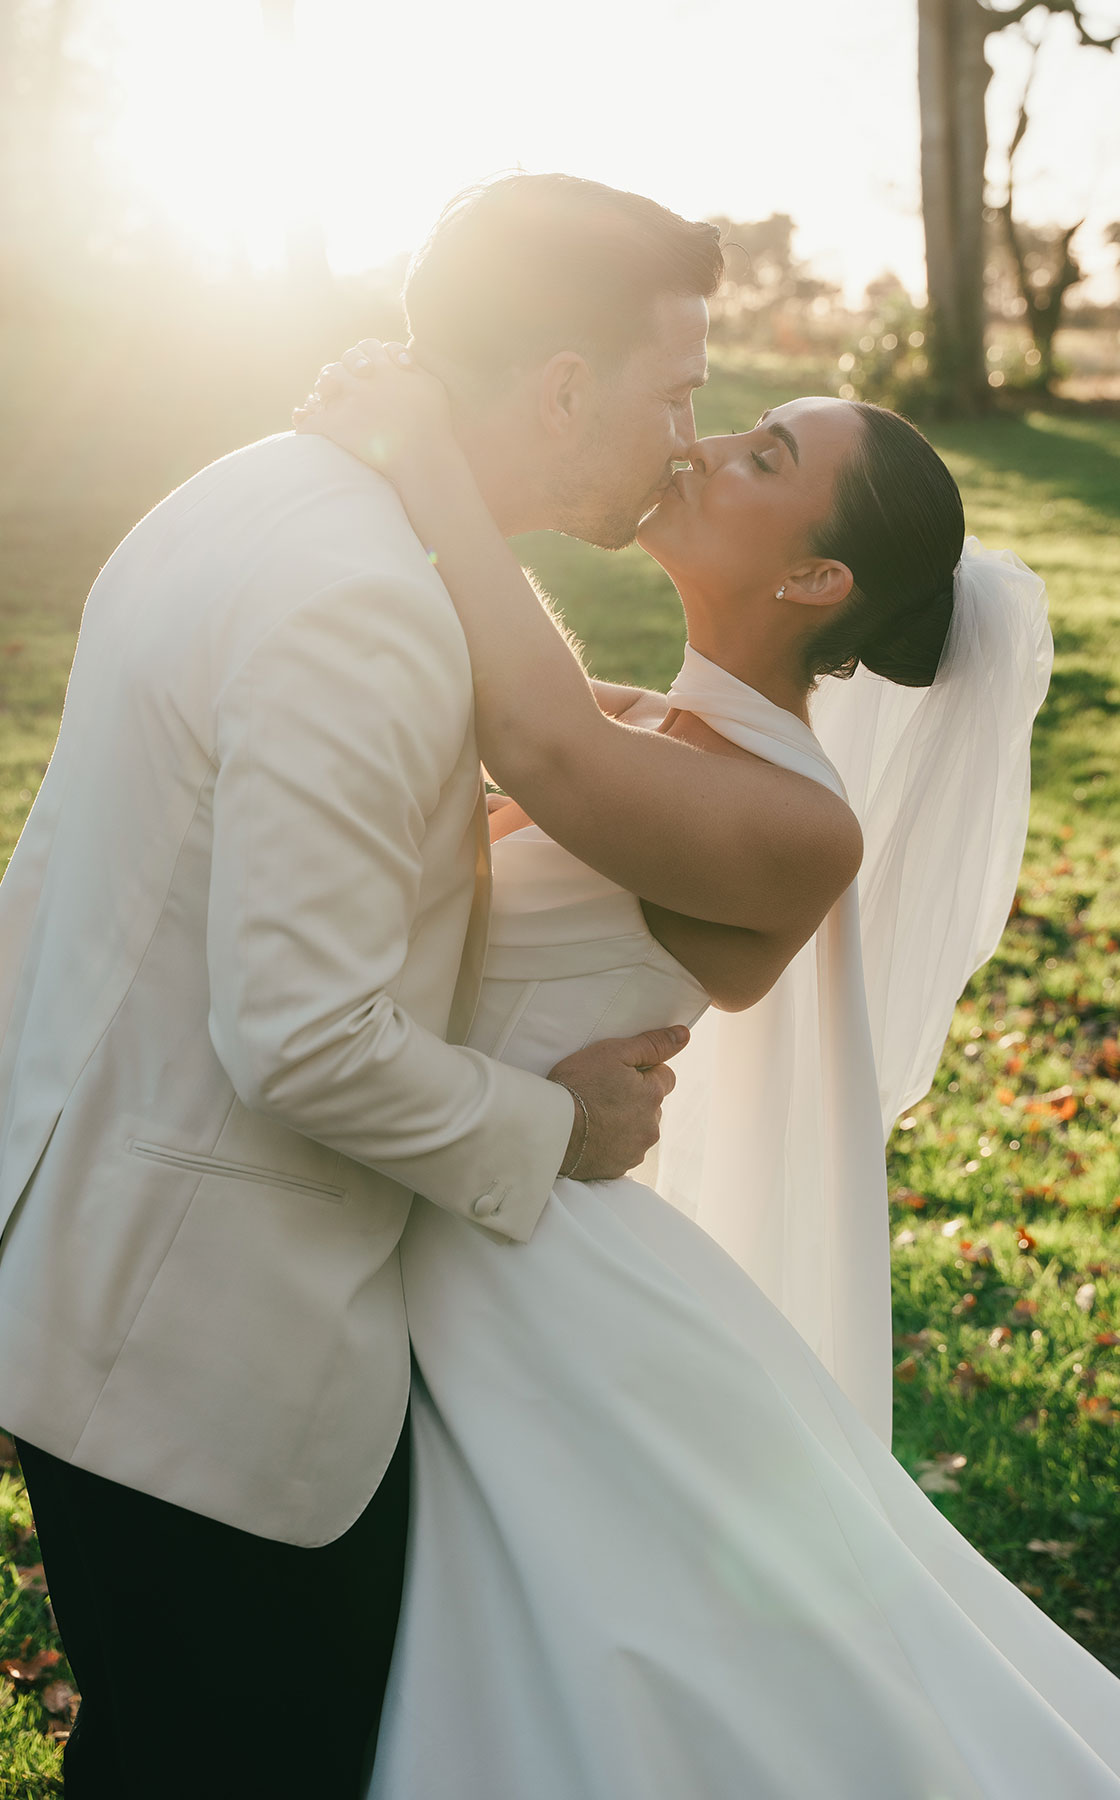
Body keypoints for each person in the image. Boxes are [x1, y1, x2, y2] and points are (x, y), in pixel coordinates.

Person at [0, 175, 861, 1798]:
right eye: (677, 391)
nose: (687, 434)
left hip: (97, 1252)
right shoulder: (367, 608)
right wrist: (556, 1126)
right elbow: (306, 1036)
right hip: (197, 1347)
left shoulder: (261, 488)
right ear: (562, 387)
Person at [295, 349, 1120, 1795]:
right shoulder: (646, 722)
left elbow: (533, 734)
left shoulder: (798, 822)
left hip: (520, 1275)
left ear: (815, 584)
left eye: (764, 459)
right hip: (445, 1196)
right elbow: (543, 714)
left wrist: (435, 448)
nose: (706, 442)